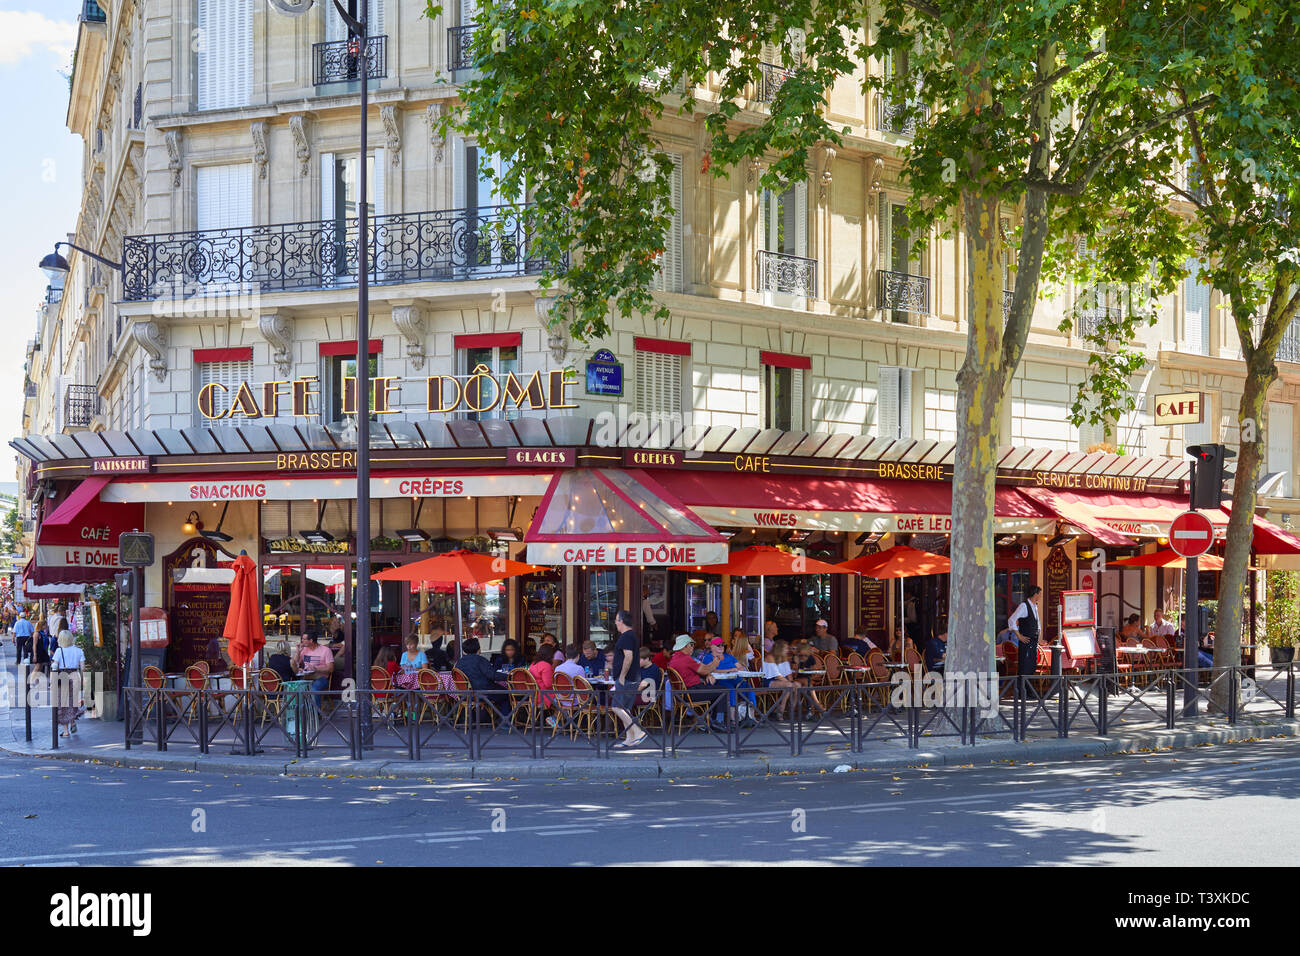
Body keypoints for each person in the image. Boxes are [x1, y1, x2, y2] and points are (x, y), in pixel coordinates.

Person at [608, 610, 646, 748]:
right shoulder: (630, 636)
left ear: (621, 621)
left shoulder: (626, 637)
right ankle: (629, 739)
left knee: (616, 707)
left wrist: (622, 676)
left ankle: (637, 731)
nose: (616, 623)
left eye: (617, 620)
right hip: (632, 677)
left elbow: (628, 656)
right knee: (625, 709)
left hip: (627, 679)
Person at [51, 630, 85, 738]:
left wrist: (52, 682)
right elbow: (83, 668)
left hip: (63, 677)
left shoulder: (58, 651)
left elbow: (54, 667)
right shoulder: (79, 651)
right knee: (73, 701)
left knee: (63, 704)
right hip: (75, 675)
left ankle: (66, 731)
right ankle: (73, 722)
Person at [291, 630, 334, 711]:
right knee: (294, 688)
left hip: (321, 678)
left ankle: (315, 713)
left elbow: (331, 668)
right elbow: (295, 663)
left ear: (311, 641)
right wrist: (298, 652)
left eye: (304, 639)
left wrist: (315, 668)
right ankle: (300, 713)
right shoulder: (304, 650)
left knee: (314, 689)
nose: (302, 641)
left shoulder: (326, 650)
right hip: (306, 678)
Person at [1008, 585, 1043, 683]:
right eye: (1040, 594)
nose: (1041, 596)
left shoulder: (1034, 606)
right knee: (1025, 667)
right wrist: (1019, 636)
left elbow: (1037, 624)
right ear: (1035, 594)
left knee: (1031, 666)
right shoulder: (1024, 606)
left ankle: (1029, 692)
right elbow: (1011, 620)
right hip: (1026, 641)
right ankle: (1023, 692)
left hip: (1033, 642)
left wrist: (1039, 638)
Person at [762, 640, 797, 718]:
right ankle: (781, 709)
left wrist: (792, 682)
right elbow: (777, 675)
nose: (787, 650)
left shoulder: (783, 658)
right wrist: (790, 683)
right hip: (768, 681)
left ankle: (791, 709)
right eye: (785, 648)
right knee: (789, 685)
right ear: (779, 649)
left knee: (797, 685)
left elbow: (788, 673)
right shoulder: (770, 657)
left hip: (779, 681)